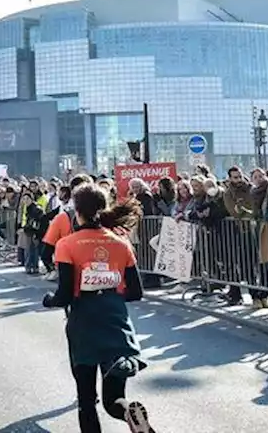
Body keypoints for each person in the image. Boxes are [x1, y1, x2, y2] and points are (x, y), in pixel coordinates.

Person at [43, 183, 154, 433]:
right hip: (116, 324)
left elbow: (63, 295)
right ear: (103, 208)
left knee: (87, 401)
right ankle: (129, 411)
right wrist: (109, 290)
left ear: (76, 210)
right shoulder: (120, 243)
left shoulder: (67, 245)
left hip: (84, 326)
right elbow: (136, 292)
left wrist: (48, 299)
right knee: (113, 399)